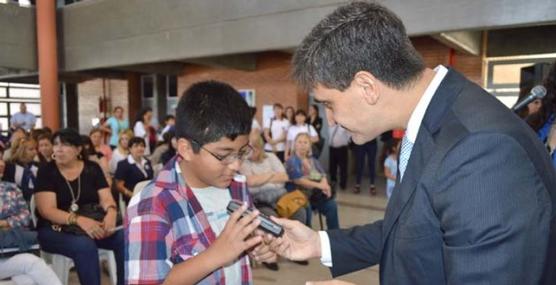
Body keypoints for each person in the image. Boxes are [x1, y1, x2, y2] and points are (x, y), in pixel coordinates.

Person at [265, 2, 556, 284]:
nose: (331, 120)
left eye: (329, 104)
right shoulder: (437, 118)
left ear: (367, 87)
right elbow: (418, 227)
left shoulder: (480, 149)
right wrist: (319, 243)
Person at [125, 81, 273, 285]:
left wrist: (256, 245)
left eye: (242, 152)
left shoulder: (236, 184)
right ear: (185, 149)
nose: (236, 165)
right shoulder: (153, 205)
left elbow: (241, 241)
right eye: (224, 155)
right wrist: (216, 255)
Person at [34, 128, 124, 285]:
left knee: (125, 237)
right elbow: (46, 210)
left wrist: (110, 213)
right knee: (84, 245)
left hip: (91, 224)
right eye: (55, 144)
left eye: (65, 144)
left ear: (78, 149)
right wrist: (79, 220)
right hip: (54, 228)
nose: (59, 149)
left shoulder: (92, 168)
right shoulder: (46, 171)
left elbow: (106, 198)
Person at [0, 180, 62, 285]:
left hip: (11, 249)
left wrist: (4, 223)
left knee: (28, 279)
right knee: (31, 263)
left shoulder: (10, 188)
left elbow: (25, 217)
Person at [285, 133, 339, 230]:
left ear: (309, 145)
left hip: (314, 195)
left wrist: (326, 186)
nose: (302, 145)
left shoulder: (313, 160)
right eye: (299, 142)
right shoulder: (291, 161)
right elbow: (299, 180)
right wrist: (321, 186)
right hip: (298, 196)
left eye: (305, 142)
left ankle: (334, 234)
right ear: (295, 145)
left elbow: (321, 175)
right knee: (306, 207)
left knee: (332, 205)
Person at [114, 137, 153, 204]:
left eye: (142, 146)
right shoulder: (123, 164)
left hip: (148, 196)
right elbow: (119, 186)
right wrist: (132, 195)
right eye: (136, 146)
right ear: (130, 149)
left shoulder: (147, 162)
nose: (139, 148)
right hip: (132, 198)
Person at [327, 124, 351, 191]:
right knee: (332, 166)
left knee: (343, 167)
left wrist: (346, 142)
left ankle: (343, 184)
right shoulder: (331, 125)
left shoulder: (345, 125)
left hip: (342, 149)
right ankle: (333, 181)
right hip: (332, 148)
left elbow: (349, 136)